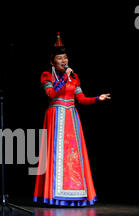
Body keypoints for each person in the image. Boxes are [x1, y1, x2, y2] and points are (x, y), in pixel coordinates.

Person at [33, 33, 111, 207]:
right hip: (55, 114)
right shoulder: (47, 75)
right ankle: (53, 195)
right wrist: (64, 78)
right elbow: (52, 93)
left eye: (65, 57)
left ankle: (75, 192)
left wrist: (98, 98)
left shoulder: (74, 77)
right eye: (59, 58)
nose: (63, 60)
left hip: (71, 117)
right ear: (52, 62)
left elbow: (81, 99)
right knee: (54, 154)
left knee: (73, 155)